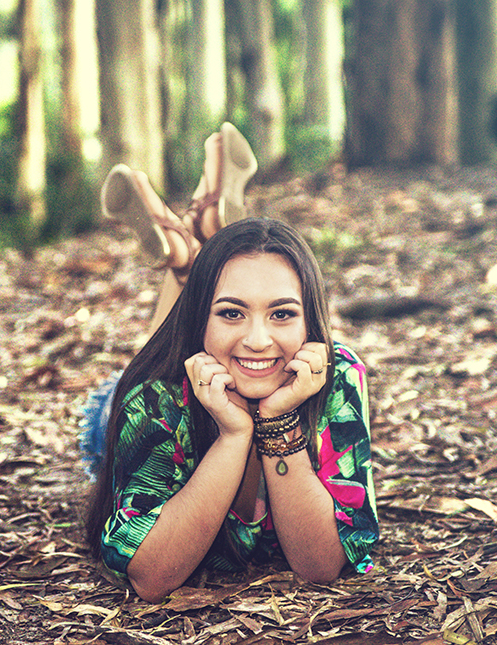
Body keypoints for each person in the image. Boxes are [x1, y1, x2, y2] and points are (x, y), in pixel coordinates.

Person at [81, 124, 380, 604]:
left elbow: (322, 566)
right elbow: (151, 578)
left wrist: (277, 419)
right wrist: (235, 435)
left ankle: (187, 257)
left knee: (201, 333)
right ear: (204, 320)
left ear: (312, 321)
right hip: (142, 401)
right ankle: (189, 264)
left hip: (206, 365)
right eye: (231, 312)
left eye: (282, 313)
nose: (259, 340)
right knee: (116, 404)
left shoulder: (336, 375)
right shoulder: (154, 397)